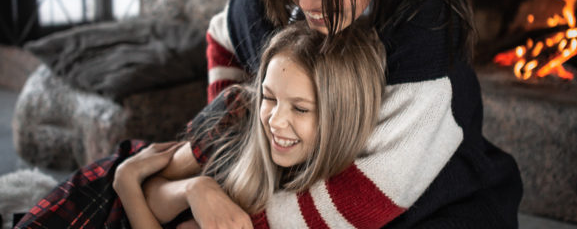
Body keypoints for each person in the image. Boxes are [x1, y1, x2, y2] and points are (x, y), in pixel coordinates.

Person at [158, 0, 522, 228]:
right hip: (303, 188)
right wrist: (239, 148)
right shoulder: (272, 1)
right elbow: (223, 32)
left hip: (435, 204)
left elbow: (366, 198)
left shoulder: (425, 40)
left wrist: (230, 206)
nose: (309, 2)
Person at [14, 22, 386, 229]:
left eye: (301, 109)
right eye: (270, 97)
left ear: (342, 116)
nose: (275, 119)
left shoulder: (319, 204)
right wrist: (194, 187)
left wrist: (128, 182)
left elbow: (138, 190)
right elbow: (154, 186)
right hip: (97, 197)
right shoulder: (240, 112)